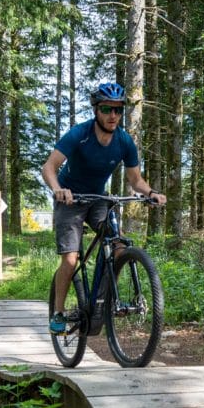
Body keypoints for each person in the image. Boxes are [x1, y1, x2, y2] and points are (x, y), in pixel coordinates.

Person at [41, 81, 166, 333]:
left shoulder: (124, 141)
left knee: (118, 245)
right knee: (70, 258)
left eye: (118, 110)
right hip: (71, 200)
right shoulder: (80, 134)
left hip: (98, 198)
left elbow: (135, 180)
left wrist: (151, 193)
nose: (113, 115)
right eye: (107, 109)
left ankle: (101, 300)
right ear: (96, 109)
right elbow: (48, 167)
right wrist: (58, 190)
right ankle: (58, 312)